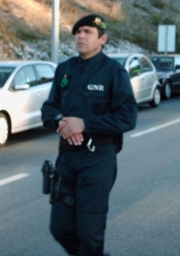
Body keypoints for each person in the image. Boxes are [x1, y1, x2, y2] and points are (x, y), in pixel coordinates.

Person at [41, 14, 138, 256]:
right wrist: (60, 122)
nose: (81, 36)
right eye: (78, 32)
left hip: (98, 160)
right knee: (60, 228)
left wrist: (85, 124)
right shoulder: (65, 69)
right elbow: (49, 108)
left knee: (89, 234)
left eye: (87, 32)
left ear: (102, 39)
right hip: (67, 159)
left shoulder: (114, 72)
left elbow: (128, 117)